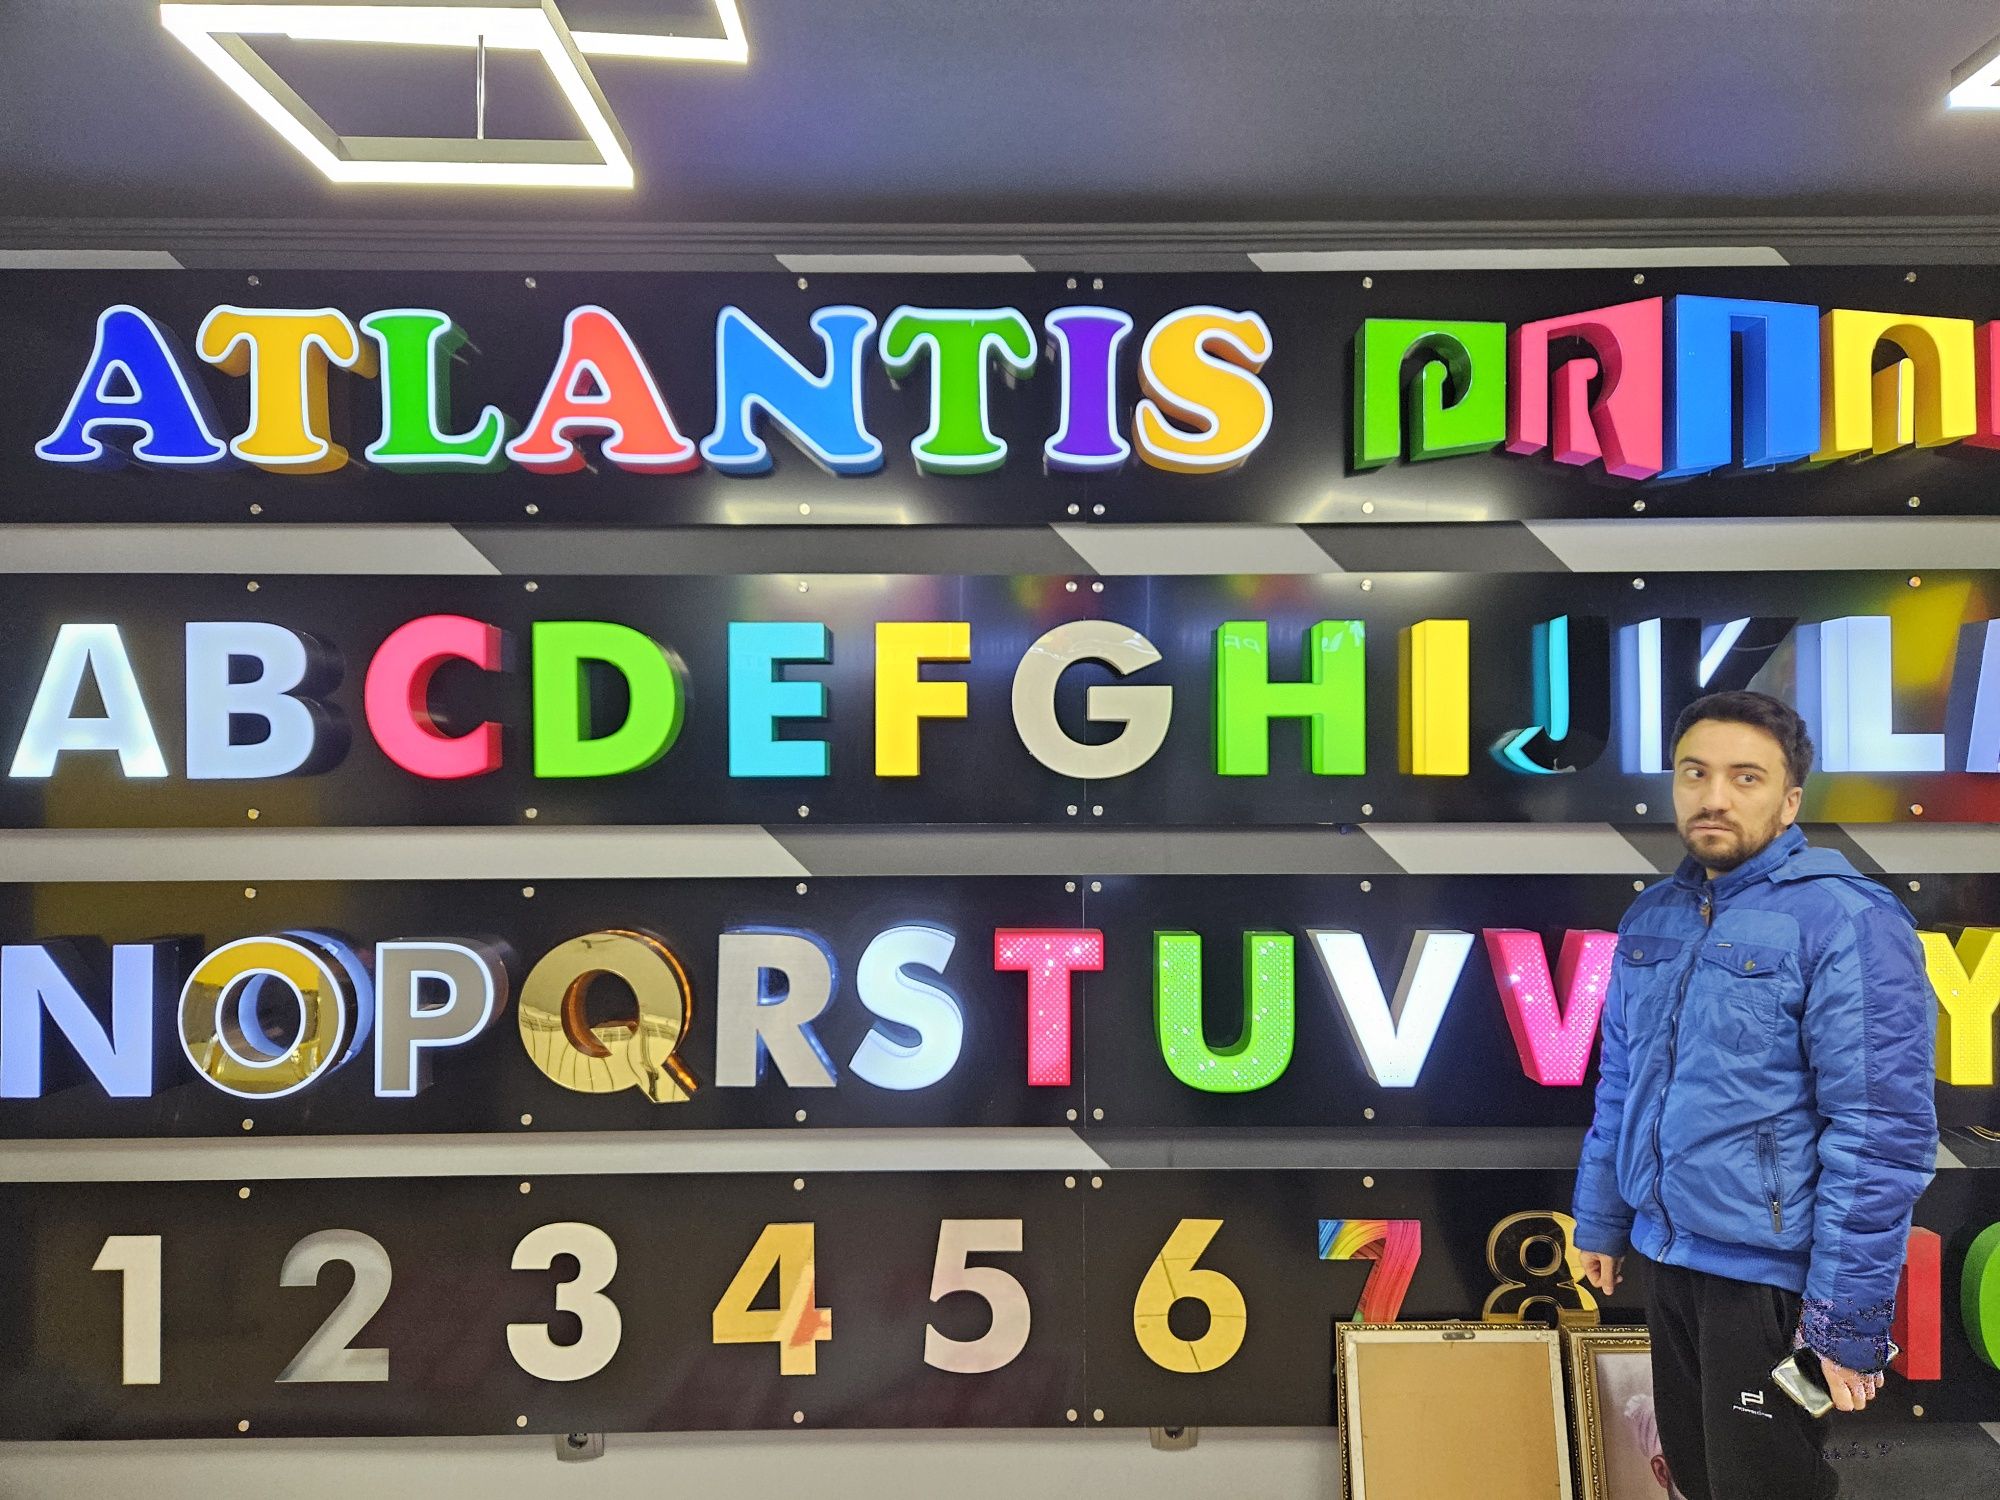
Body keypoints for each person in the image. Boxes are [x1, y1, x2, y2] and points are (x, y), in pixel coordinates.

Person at [1572, 690, 1937, 1500]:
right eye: (1694, 773)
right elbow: (1622, 1084)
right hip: (1669, 1262)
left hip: (1771, 1285)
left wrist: (1843, 1322)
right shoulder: (1652, 918)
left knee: (1765, 1486)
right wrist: (1601, 1217)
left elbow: (1881, 1133)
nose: (1714, 796)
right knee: (1696, 1478)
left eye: (1745, 777)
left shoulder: (1846, 920)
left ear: (1790, 800)